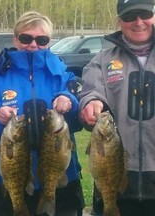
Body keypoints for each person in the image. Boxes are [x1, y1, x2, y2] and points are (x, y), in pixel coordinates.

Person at [0, 11, 85, 216]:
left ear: (49, 41)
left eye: (41, 39)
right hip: (12, 177)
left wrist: (69, 99)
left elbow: (78, 100)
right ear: (15, 39)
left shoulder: (60, 72)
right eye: (25, 38)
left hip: (60, 176)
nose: (33, 45)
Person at [79, 0, 155, 215]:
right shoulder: (102, 60)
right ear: (119, 21)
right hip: (115, 175)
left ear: (153, 16)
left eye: (144, 14)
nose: (138, 22)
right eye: (130, 16)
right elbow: (90, 91)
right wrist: (90, 103)